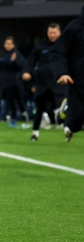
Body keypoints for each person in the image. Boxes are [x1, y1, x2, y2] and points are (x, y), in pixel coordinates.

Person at [23, 23, 67, 141]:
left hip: (59, 81)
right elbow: (31, 60)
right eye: (50, 33)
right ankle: (35, 133)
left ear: (59, 33)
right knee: (40, 108)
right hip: (43, 82)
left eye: (54, 33)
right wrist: (27, 71)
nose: (52, 35)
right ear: (47, 33)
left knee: (63, 107)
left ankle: (67, 129)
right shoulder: (40, 45)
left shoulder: (65, 44)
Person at [51, 5, 84, 142]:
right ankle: (67, 107)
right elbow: (58, 52)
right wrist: (61, 73)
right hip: (78, 83)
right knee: (75, 124)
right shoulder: (75, 27)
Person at [0, 36, 26, 127]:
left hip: (12, 81)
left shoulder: (16, 54)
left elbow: (21, 67)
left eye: (10, 44)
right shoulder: (1, 53)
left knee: (11, 101)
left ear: (13, 45)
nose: (8, 45)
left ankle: (13, 119)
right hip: (1, 80)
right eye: (7, 43)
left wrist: (14, 61)